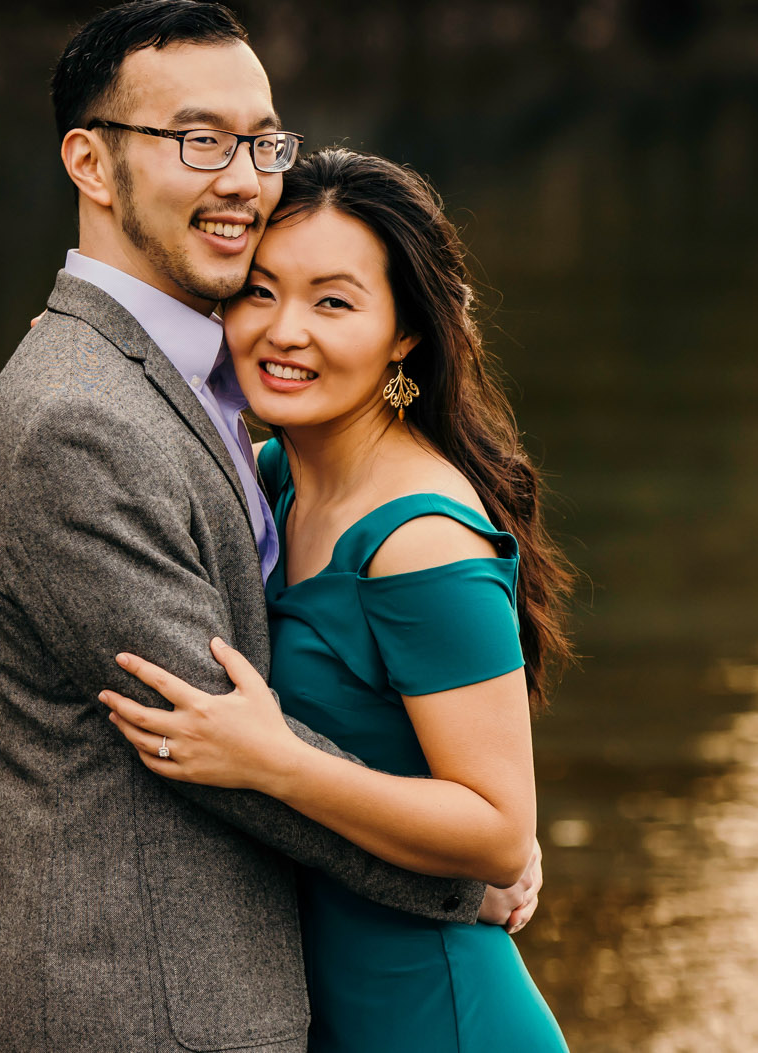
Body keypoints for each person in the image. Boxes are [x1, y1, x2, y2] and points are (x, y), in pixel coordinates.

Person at [0, 0, 541, 1053]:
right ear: (89, 163)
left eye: (259, 140)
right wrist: (469, 869)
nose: (241, 175)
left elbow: (434, 775)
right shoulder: (89, 410)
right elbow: (215, 734)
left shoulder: (229, 410)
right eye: (197, 139)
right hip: (136, 1001)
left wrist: (488, 837)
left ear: (405, 332)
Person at [97, 147, 576, 1052]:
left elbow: (502, 832)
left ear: (406, 334)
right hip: (308, 1009)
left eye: (334, 301)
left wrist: (277, 763)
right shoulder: (273, 476)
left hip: (435, 1019)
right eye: (261, 290)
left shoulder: (422, 541)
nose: (284, 331)